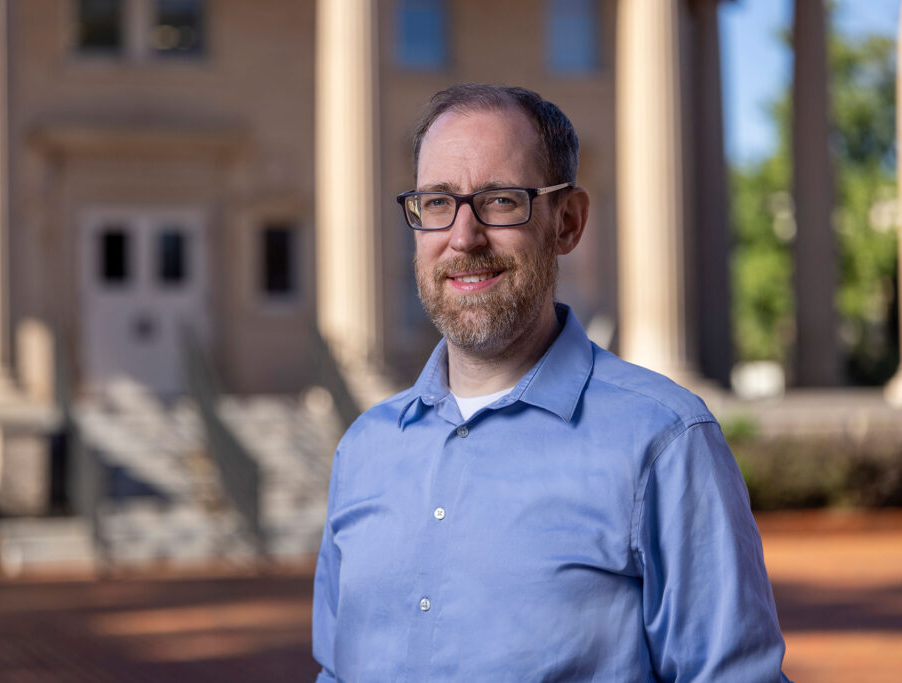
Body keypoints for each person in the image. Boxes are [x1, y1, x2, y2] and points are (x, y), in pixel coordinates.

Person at [312, 84, 790, 682]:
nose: (463, 238)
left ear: (567, 222)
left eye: (501, 201)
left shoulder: (664, 442)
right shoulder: (364, 450)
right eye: (437, 203)